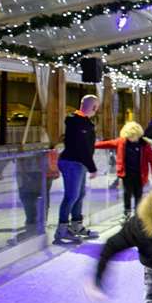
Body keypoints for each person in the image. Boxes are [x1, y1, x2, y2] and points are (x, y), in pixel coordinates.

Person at [54, 94, 100, 245]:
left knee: (79, 195)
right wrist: (92, 167)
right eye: (96, 107)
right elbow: (82, 148)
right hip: (72, 162)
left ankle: (76, 225)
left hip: (78, 163)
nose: (96, 110)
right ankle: (61, 229)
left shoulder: (84, 122)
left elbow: (85, 148)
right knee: (72, 196)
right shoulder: (77, 122)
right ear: (94, 107)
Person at [96, 121, 152, 220]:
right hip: (126, 173)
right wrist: (93, 145)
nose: (131, 138)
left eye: (133, 136)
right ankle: (127, 211)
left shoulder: (144, 145)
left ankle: (138, 213)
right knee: (127, 193)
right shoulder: (122, 142)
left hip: (140, 174)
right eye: (129, 136)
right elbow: (108, 143)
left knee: (138, 193)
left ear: (138, 135)